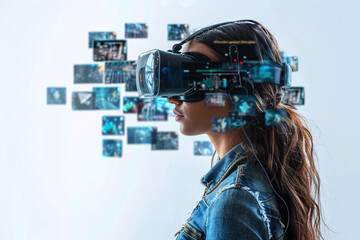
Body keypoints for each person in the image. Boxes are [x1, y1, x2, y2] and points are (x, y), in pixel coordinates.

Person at [167, 20, 324, 240]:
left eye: (192, 77)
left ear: (238, 88)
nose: (173, 98)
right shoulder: (237, 186)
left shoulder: (232, 201)